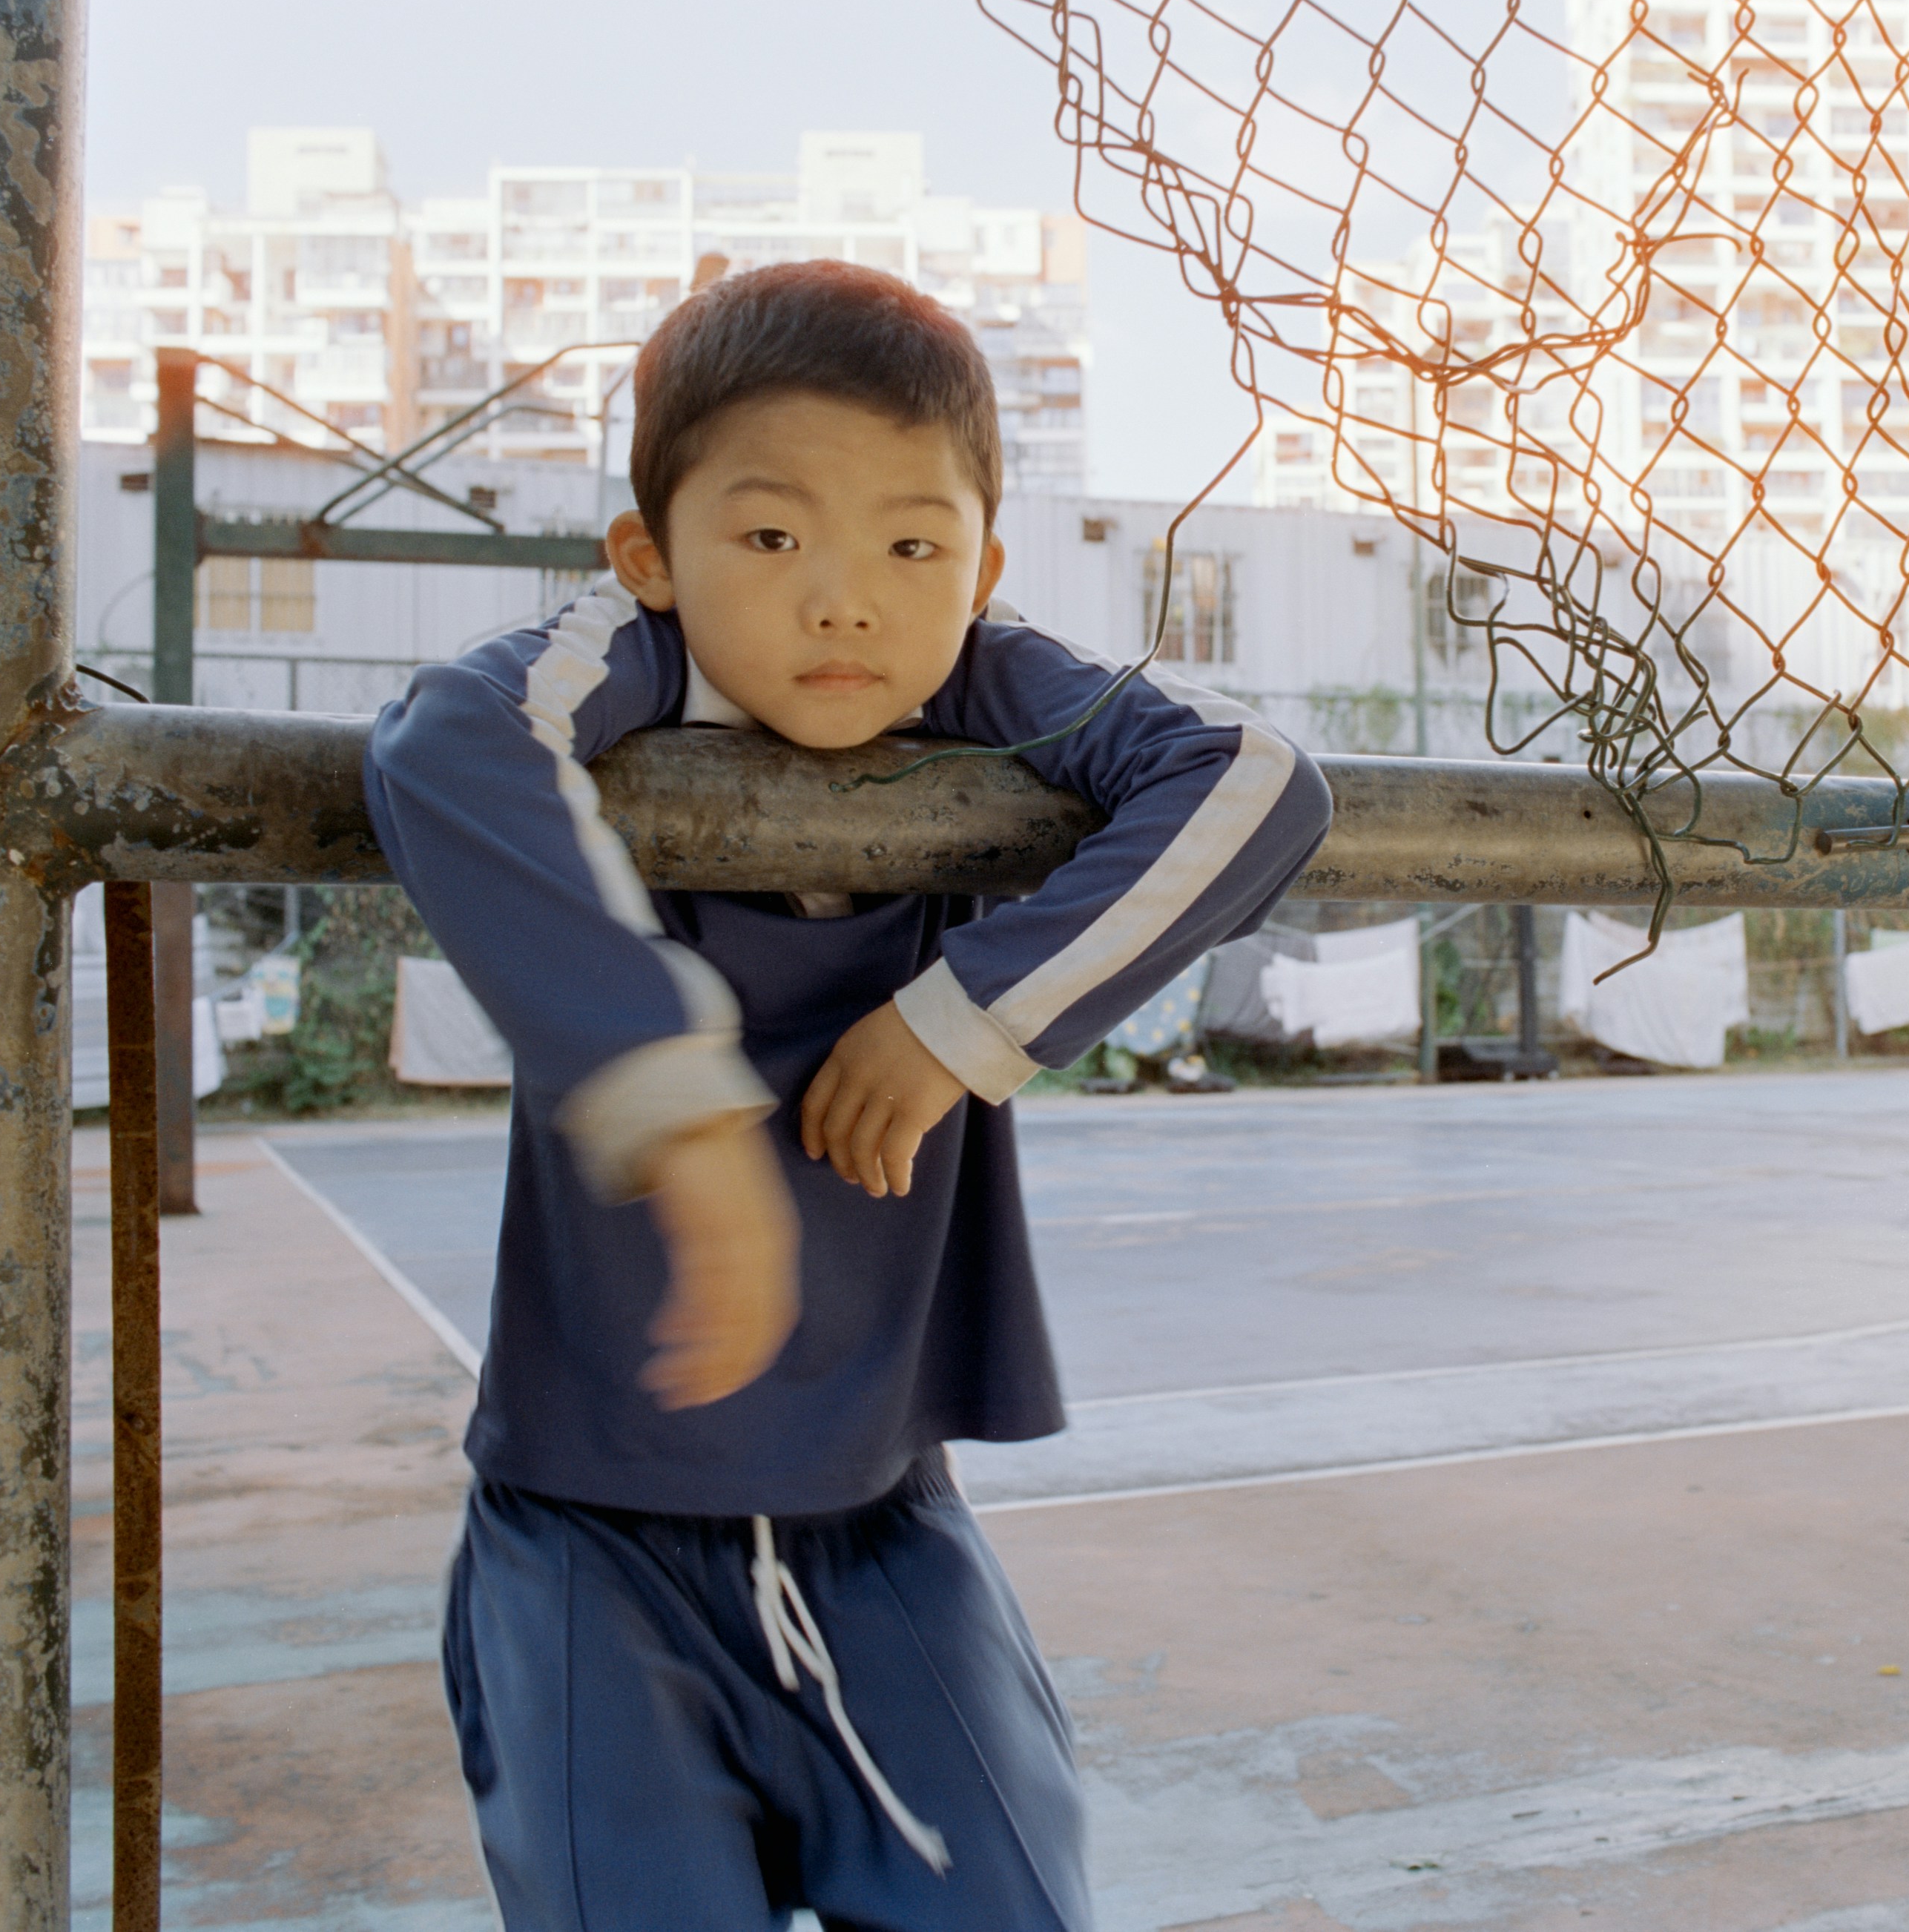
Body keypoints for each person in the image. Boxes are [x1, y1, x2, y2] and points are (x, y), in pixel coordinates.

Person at [365, 260, 1331, 1931]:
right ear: (650, 555)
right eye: (770, 538)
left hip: (884, 1525)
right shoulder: (627, 667)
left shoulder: (987, 681)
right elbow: (442, 739)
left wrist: (959, 1023)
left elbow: (1254, 782)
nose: (846, 600)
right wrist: (684, 1116)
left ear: (982, 563)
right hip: (590, 1535)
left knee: (1010, 1904)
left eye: (911, 543)